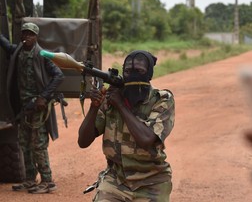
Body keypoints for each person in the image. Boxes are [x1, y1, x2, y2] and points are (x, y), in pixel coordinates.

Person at [78, 50, 175, 201]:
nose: (133, 75)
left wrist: (121, 106)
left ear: (148, 73)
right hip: (116, 179)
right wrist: (94, 106)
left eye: (139, 71)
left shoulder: (161, 100)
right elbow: (83, 142)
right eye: (128, 71)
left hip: (152, 181)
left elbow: (146, 139)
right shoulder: (112, 97)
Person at [0, 22, 64, 194]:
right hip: (23, 108)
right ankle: (30, 179)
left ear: (36, 37)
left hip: (37, 108)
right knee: (24, 144)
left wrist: (43, 97)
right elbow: (6, 45)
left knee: (38, 145)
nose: (27, 37)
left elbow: (58, 75)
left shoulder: (42, 54)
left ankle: (47, 181)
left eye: (31, 34)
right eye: (25, 34)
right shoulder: (18, 52)